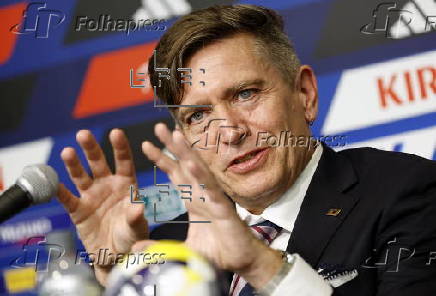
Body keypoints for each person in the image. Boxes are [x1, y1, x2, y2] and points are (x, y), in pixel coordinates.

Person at [57, 4, 436, 296]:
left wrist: (260, 264)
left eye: (245, 94)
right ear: (184, 138)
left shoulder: (407, 192)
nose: (230, 132)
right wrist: (116, 275)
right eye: (199, 115)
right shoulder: (167, 251)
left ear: (304, 94)